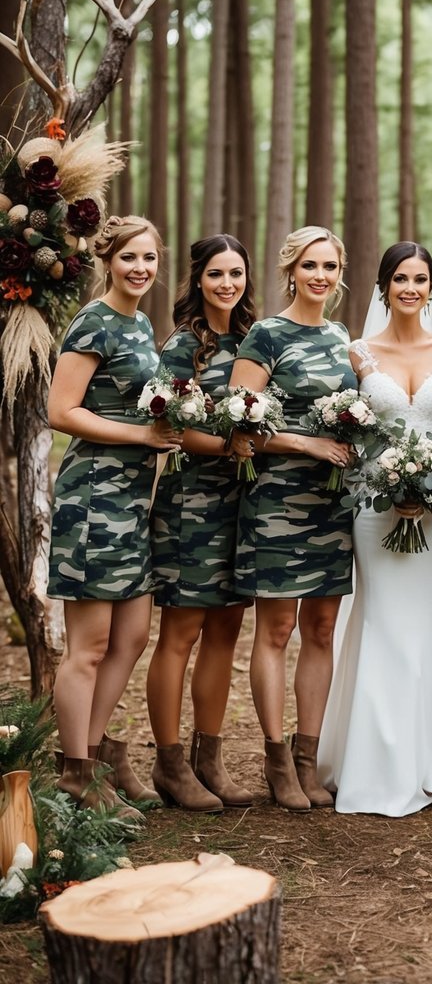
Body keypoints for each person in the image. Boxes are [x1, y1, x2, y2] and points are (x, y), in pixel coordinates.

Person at [318, 242, 432, 816]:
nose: (410, 288)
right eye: (400, 279)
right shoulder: (357, 353)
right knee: (383, 622)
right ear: (383, 287)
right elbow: (349, 427)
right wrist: (389, 481)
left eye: (421, 279)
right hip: (373, 507)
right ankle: (376, 764)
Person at [47, 215, 180, 815]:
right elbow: (61, 410)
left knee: (132, 636)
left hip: (133, 497)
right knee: (90, 646)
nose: (140, 269)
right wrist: (140, 435)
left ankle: (95, 754)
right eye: (130, 258)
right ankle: (76, 773)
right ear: (109, 261)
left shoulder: (141, 323)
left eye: (149, 259)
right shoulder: (93, 323)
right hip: (94, 497)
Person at [230, 226, 354, 810]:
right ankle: (276, 759)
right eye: (310, 265)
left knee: (322, 630)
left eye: (330, 266)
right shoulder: (266, 335)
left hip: (332, 504)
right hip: (277, 501)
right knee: (276, 630)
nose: (321, 276)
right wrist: (308, 446)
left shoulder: (339, 336)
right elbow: (241, 422)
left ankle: (309, 758)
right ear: (290, 270)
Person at [146, 235, 256, 812]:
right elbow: (170, 428)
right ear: (198, 280)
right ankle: (168, 764)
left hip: (245, 505)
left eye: (236, 273)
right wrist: (226, 444)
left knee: (226, 632)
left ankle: (208, 758)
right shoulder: (181, 348)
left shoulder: (253, 341)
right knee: (181, 634)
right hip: (192, 504)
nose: (227, 284)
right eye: (217, 274)